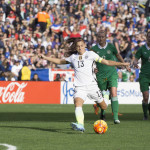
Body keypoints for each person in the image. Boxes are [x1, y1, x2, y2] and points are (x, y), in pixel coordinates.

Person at [39, 37, 129, 132]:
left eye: (82, 45)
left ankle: (106, 96)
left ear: (85, 45)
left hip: (92, 86)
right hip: (79, 87)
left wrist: (122, 63)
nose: (80, 47)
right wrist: (45, 57)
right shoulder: (73, 57)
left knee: (104, 106)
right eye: (78, 46)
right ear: (76, 48)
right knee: (77, 103)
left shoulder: (91, 54)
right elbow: (60, 61)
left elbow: (106, 62)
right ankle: (80, 125)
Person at [91, 29, 131, 124]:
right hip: (100, 75)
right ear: (97, 38)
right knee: (103, 96)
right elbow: (90, 61)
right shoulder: (93, 49)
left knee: (114, 93)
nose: (101, 39)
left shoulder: (111, 47)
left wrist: (124, 64)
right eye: (99, 37)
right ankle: (103, 113)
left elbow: (118, 55)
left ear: (106, 37)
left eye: (102, 37)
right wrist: (93, 68)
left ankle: (116, 118)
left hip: (112, 73)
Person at [134, 31, 150, 120]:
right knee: (146, 96)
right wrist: (135, 63)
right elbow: (136, 59)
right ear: (146, 38)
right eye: (149, 37)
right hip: (144, 75)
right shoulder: (142, 49)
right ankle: (145, 115)